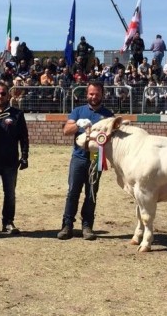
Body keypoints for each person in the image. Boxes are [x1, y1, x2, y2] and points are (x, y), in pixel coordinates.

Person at [58, 81, 114, 241]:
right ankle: (67, 225)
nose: (94, 96)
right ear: (86, 94)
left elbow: (113, 138)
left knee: (91, 194)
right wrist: (77, 124)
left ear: (102, 95)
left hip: (96, 159)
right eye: (91, 93)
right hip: (78, 158)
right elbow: (66, 131)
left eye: (97, 94)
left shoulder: (108, 115)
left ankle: (87, 226)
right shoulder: (78, 111)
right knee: (72, 192)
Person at [0, 83, 29, 235]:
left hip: (10, 162)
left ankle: (8, 222)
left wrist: (25, 156)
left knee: (10, 194)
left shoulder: (17, 114)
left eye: (3, 93)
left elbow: (24, 138)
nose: (0, 96)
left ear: (8, 95)